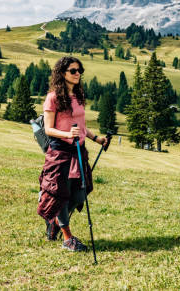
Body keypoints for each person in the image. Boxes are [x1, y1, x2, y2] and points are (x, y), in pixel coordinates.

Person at [37, 56, 108, 252]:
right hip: (60, 151)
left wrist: (97, 139)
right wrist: (68, 134)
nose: (78, 74)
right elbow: (49, 129)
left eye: (79, 70)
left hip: (79, 151)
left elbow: (82, 127)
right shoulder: (53, 98)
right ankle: (67, 238)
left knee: (80, 192)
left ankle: (54, 221)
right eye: (73, 71)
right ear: (62, 73)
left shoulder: (77, 96)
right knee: (61, 194)